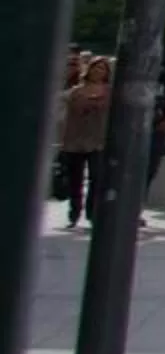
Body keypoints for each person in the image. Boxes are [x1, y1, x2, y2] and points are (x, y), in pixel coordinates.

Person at [59, 56, 111, 230]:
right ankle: (74, 214)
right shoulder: (76, 92)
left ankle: (92, 214)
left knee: (96, 178)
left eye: (103, 68)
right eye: (96, 67)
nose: (98, 71)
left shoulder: (110, 92)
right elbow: (67, 114)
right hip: (75, 140)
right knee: (75, 180)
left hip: (98, 140)